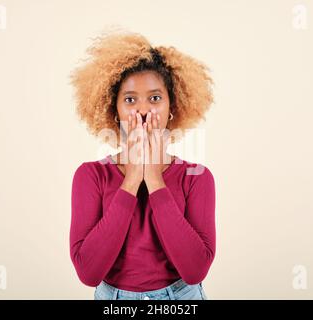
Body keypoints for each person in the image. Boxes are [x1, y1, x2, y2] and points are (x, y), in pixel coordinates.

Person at [69, 30, 216, 300]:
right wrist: (133, 177)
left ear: (172, 107)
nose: (144, 110)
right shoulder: (90, 175)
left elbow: (195, 270)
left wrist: (155, 179)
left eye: (155, 98)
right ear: (114, 110)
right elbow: (89, 274)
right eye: (130, 99)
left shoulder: (197, 177)